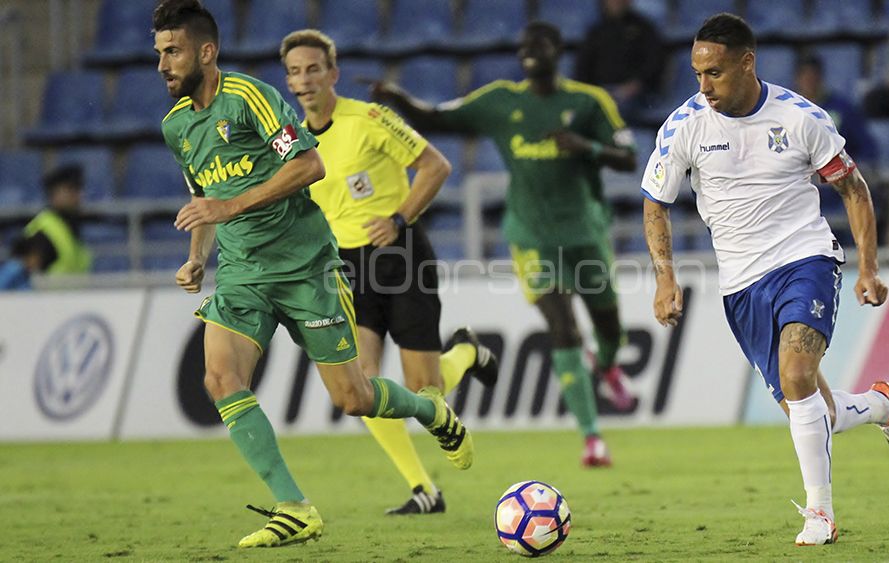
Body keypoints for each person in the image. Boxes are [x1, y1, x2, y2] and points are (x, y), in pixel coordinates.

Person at [153, 0, 472, 548]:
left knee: (353, 397)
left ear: (206, 52)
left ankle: (431, 411)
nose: (163, 65)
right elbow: (204, 195)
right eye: (159, 53)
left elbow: (308, 165)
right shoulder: (177, 125)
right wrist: (198, 256)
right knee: (220, 378)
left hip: (307, 268)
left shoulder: (252, 98)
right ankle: (294, 507)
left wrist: (229, 210)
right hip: (242, 274)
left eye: (173, 51)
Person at [641, 14, 889, 545]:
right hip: (741, 285)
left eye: (715, 73)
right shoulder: (685, 125)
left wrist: (868, 267)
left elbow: (854, 190)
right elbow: (655, 204)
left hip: (806, 260)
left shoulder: (801, 118)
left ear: (747, 62)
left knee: (797, 376)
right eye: (697, 74)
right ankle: (881, 405)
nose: (704, 86)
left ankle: (821, 514)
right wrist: (664, 279)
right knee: (813, 411)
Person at [371, 21, 638, 467]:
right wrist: (398, 97)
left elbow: (628, 158)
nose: (533, 52)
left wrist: (585, 147)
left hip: (584, 233)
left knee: (608, 327)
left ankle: (607, 364)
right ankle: (592, 439)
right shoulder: (499, 101)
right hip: (531, 236)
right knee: (563, 329)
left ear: (558, 50)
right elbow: (436, 117)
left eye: (543, 44)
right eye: (526, 46)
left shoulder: (589, 102)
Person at [279, 29, 498, 515]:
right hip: (346, 266)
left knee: (425, 390)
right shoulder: (292, 140)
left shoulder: (370, 118)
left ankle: (466, 352)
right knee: (360, 385)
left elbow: (436, 166)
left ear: (332, 73)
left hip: (398, 254)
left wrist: (399, 218)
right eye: (295, 71)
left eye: (313, 68)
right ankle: (424, 489)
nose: (304, 79)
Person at [575, 0, 665, 123]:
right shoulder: (596, 31)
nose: (616, 3)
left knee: (613, 110)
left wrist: (636, 84)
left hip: (634, 94)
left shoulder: (644, 28)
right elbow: (583, 67)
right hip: (601, 91)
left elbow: (654, 62)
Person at [794, 54, 878, 170]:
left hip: (838, 179)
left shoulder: (843, 108)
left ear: (821, 77)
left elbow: (867, 147)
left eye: (814, 75)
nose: (810, 81)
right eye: (805, 76)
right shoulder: (788, 112)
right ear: (797, 79)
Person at [21, 164, 92, 275]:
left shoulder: (71, 226)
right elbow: (28, 276)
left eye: (79, 189)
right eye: (70, 189)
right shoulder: (42, 230)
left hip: (76, 291)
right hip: (49, 292)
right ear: (54, 194)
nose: (78, 195)